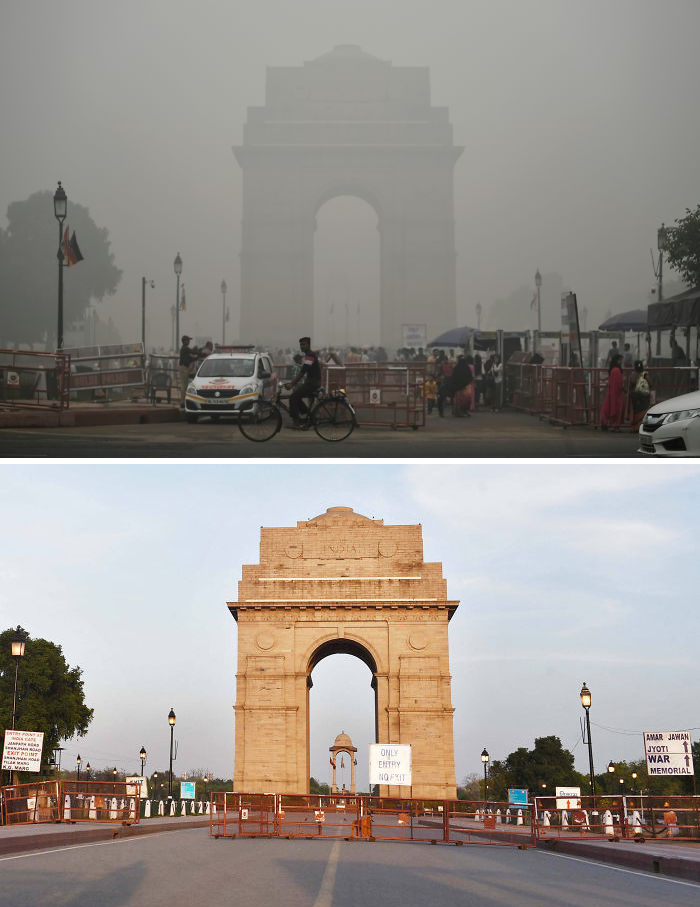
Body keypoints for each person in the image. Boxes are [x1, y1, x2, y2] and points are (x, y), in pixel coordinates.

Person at [285, 336, 321, 427]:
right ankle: (308, 415)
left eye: (304, 344)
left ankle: (296, 422)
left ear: (308, 345)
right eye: (301, 345)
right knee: (297, 396)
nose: (302, 346)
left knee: (293, 397)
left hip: (312, 383)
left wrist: (291, 384)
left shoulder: (310, 355)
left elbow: (303, 372)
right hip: (311, 382)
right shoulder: (308, 355)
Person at [600, 354, 625, 430]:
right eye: (620, 360)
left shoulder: (613, 369)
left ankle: (605, 423)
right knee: (616, 408)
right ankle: (615, 426)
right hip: (616, 393)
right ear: (617, 360)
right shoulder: (617, 370)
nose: (621, 362)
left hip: (611, 392)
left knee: (607, 408)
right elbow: (618, 383)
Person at [629, 360, 651, 431]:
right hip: (644, 396)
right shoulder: (645, 374)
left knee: (636, 411)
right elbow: (651, 383)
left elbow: (631, 383)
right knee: (643, 410)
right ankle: (640, 426)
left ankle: (634, 428)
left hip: (635, 395)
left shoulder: (633, 374)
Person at [178, 335, 199, 406]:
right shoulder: (185, 348)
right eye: (188, 340)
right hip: (184, 368)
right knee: (184, 385)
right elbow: (193, 352)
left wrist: (197, 356)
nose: (189, 341)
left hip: (184, 367)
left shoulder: (185, 349)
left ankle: (184, 401)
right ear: (185, 341)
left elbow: (191, 358)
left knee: (185, 385)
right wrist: (199, 351)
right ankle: (182, 402)